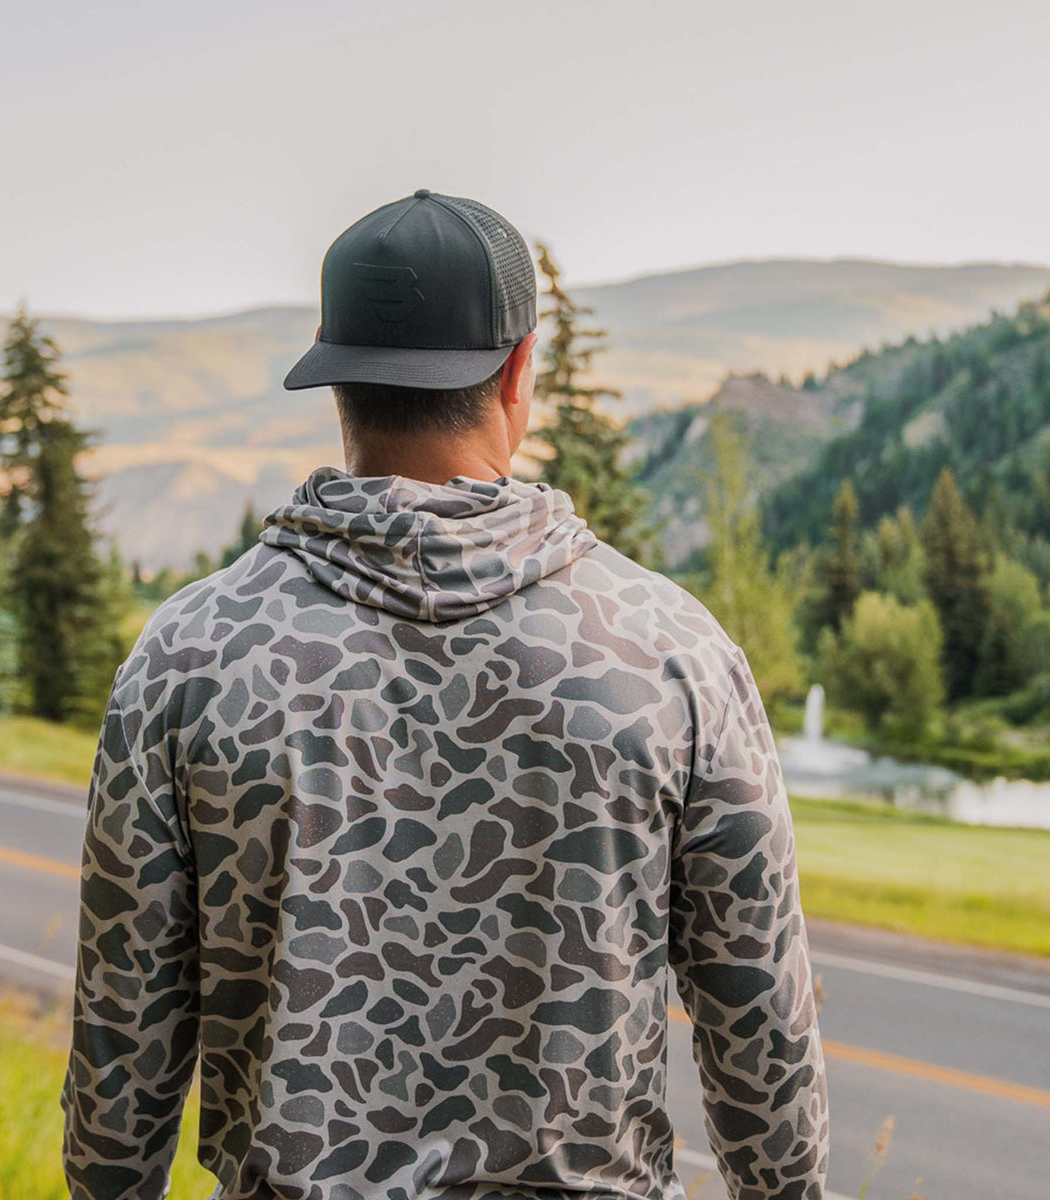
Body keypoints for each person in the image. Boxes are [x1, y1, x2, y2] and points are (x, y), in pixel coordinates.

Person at [61, 189, 830, 1200]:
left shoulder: (188, 655)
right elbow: (763, 1034)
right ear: (517, 371)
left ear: (336, 383)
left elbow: (120, 1054)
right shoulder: (671, 651)